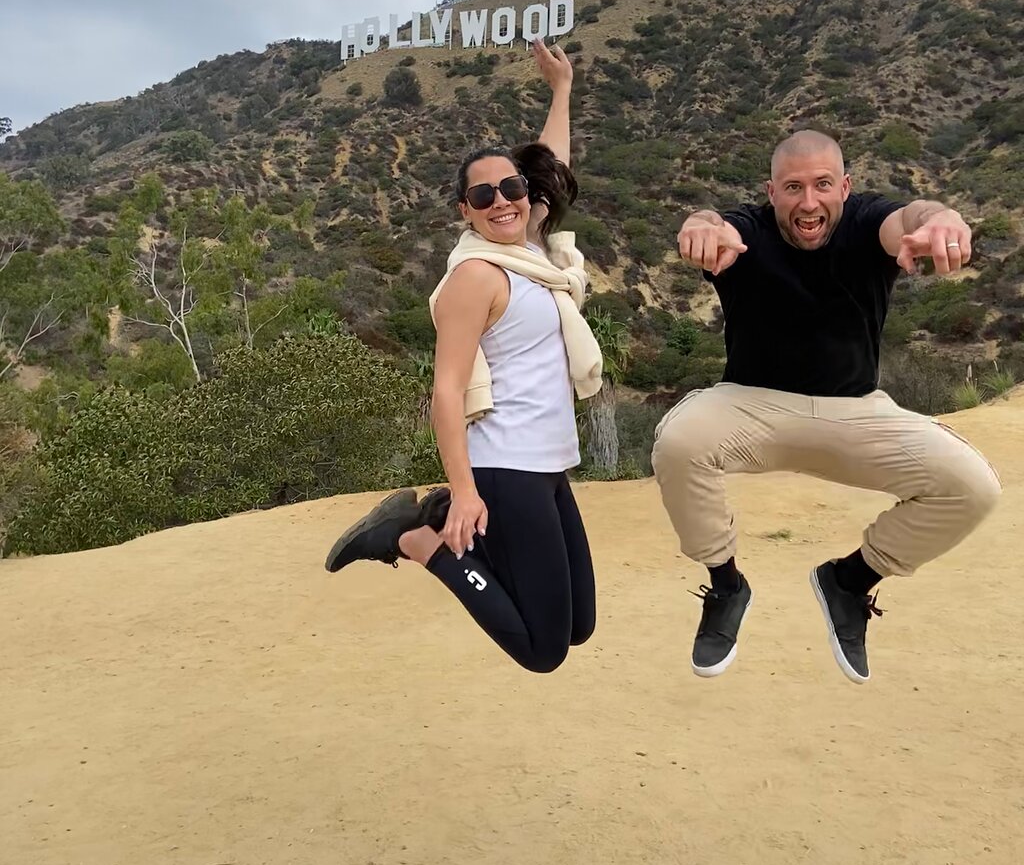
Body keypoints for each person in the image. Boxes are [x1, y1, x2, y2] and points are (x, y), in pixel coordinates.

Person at [652, 128, 1001, 684]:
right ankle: (725, 585)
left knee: (973, 487)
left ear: (846, 186)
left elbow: (909, 219)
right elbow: (717, 226)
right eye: (792, 187)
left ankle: (849, 582)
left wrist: (939, 217)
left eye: (821, 185)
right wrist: (701, 223)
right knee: (678, 442)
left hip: (856, 412)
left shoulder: (867, 221)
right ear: (772, 192)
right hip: (753, 407)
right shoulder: (749, 230)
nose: (808, 202)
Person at [324, 38, 604, 673]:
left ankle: (439, 517)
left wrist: (561, 91)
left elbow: (552, 164)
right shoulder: (476, 277)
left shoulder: (532, 252)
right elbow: (446, 392)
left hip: (546, 462)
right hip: (506, 466)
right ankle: (416, 538)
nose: (501, 201)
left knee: (579, 623)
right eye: (483, 197)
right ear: (466, 212)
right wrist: (465, 487)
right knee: (543, 650)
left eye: (510, 187)